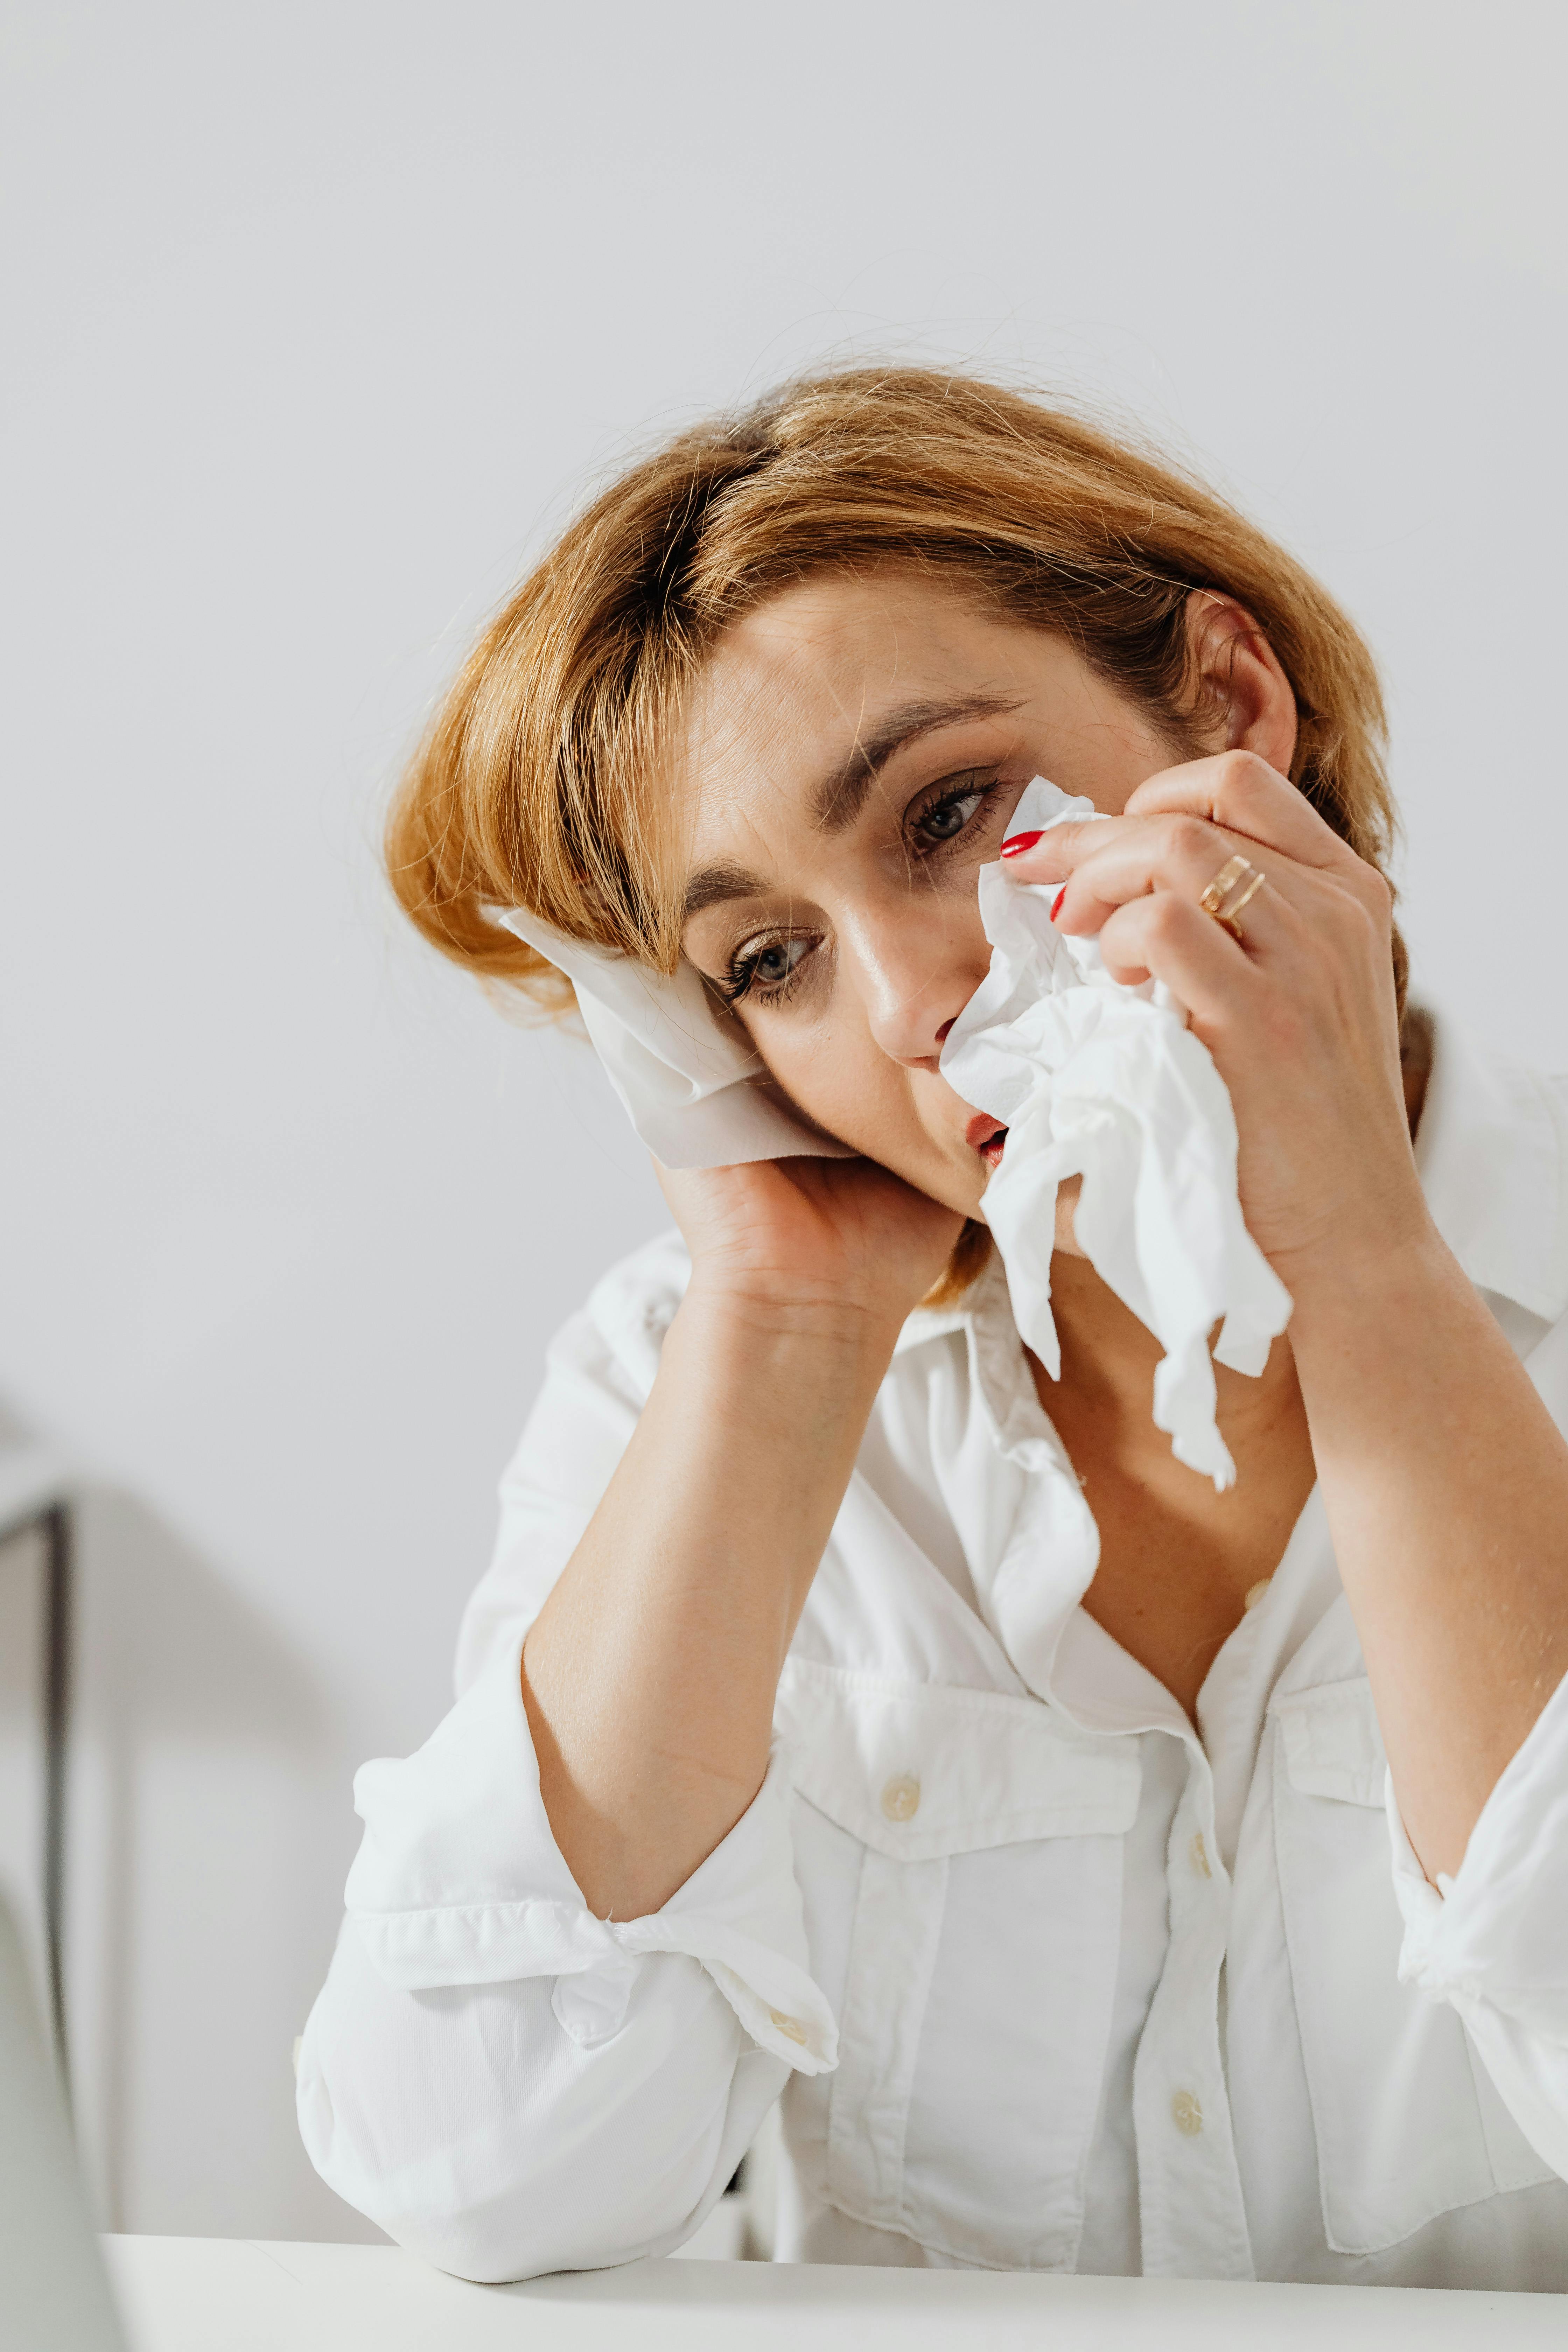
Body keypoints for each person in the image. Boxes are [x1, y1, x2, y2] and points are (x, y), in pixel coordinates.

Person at [296, 369, 1568, 2288]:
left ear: (1225, 706)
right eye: (768, 962)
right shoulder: (682, 1381)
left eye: (951, 812)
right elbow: (479, 2175)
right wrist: (785, 1327)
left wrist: (1375, 1270)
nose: (906, 1000)